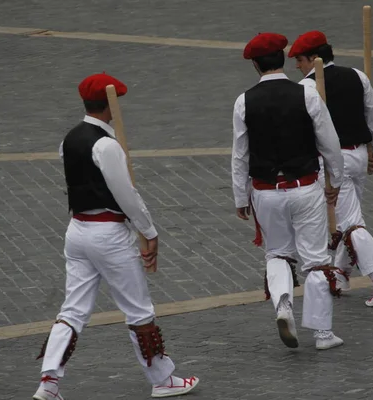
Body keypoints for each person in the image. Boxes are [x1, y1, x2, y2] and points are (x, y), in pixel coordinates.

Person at [32, 73, 199, 400]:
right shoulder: (106, 145)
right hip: (108, 234)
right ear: (109, 104)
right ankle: (162, 379)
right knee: (138, 309)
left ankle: (49, 382)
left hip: (77, 232)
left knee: (72, 311)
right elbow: (126, 196)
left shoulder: (68, 140)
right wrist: (148, 231)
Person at [232, 32, 346, 350]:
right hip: (305, 186)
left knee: (277, 252)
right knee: (315, 259)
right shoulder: (307, 94)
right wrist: (334, 181)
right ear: (283, 58)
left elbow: (239, 154)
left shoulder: (244, 101)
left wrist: (240, 197)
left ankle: (283, 304)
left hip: (265, 190)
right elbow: (329, 143)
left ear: (255, 64)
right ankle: (323, 334)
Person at [288, 30, 373, 307]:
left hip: (333, 162)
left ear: (313, 59)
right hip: (359, 154)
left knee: (350, 223)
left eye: (299, 60)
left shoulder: (306, 89)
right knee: (351, 218)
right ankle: (342, 274)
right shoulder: (357, 76)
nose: (297, 66)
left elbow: (304, 135)